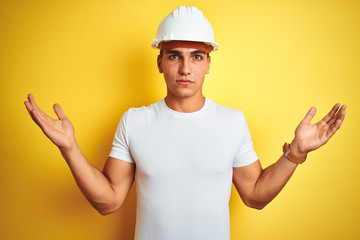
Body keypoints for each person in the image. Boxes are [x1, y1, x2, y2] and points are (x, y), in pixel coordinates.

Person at [24, 5, 346, 240]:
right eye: (175, 55)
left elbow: (255, 195)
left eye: (196, 56)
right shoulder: (135, 121)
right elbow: (108, 202)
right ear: (160, 62)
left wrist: (297, 152)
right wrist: (69, 148)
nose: (185, 68)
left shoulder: (232, 122)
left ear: (208, 64)